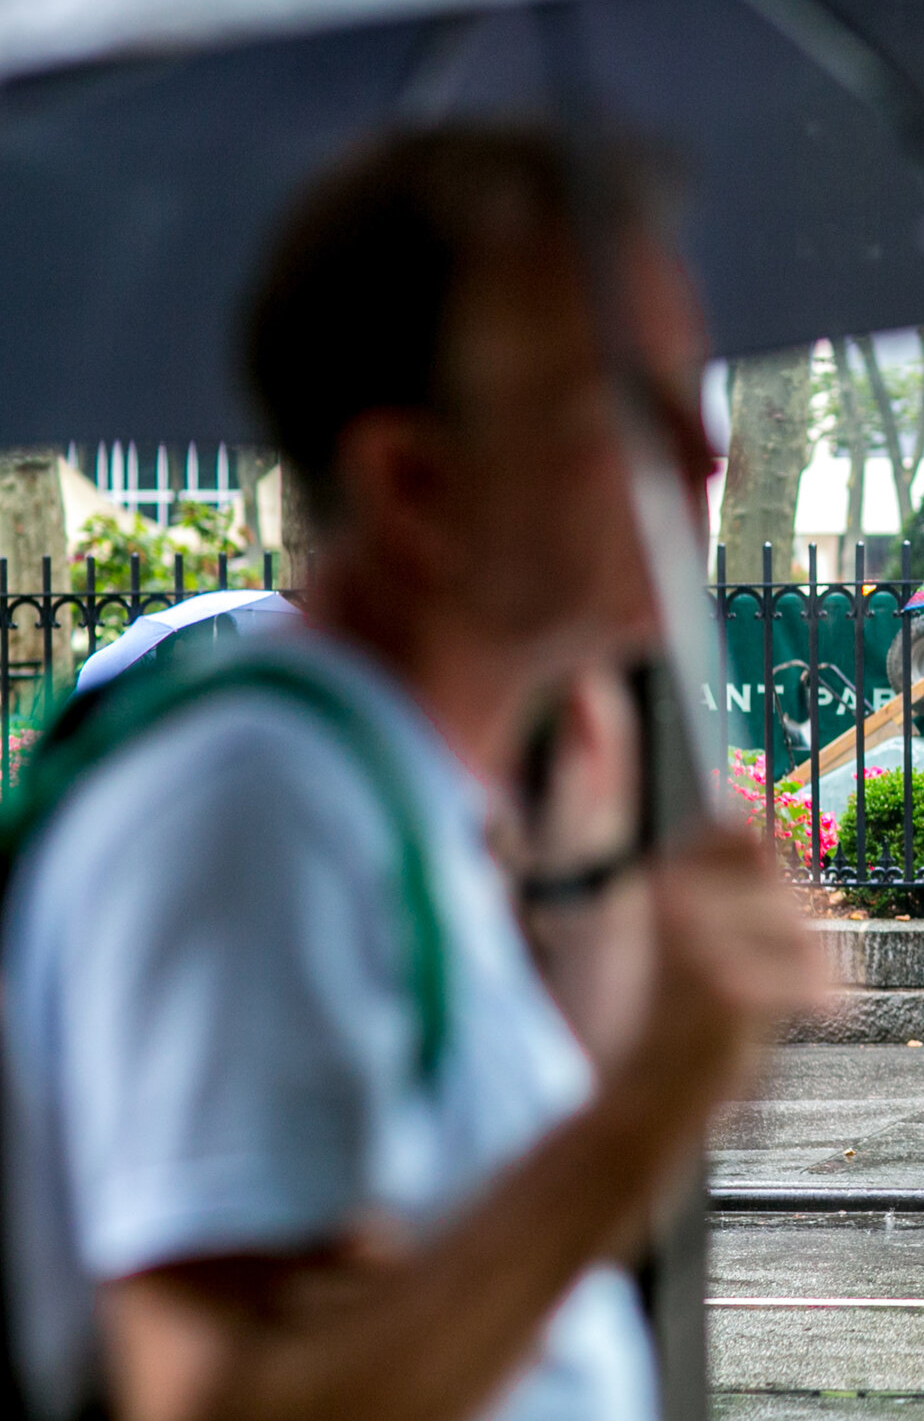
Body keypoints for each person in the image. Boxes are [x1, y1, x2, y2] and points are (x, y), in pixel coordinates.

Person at [2, 128, 822, 1421]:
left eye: (691, 390)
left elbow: (457, 1251)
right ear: (413, 481)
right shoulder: (258, 806)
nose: (704, 456)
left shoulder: (410, 792)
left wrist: (593, 946)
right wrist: (646, 1108)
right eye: (624, 401)